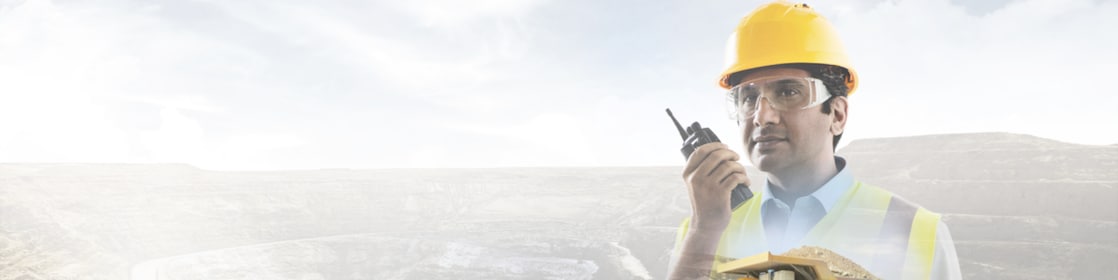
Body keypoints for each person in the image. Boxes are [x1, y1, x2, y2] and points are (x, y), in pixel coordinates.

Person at [666, 1, 962, 279]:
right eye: (749, 97)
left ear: (837, 115)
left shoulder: (915, 233)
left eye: (788, 92)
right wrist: (703, 232)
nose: (762, 116)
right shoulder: (703, 229)